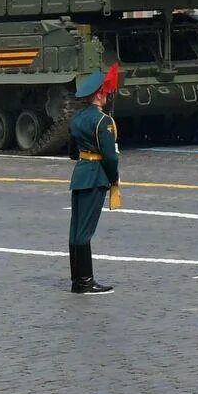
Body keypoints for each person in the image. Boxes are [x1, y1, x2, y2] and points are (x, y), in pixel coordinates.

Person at [68, 63, 122, 295]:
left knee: (76, 230)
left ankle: (77, 280)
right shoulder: (103, 122)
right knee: (85, 231)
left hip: (80, 175)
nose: (108, 95)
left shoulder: (77, 119)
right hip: (95, 177)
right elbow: (110, 157)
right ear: (99, 94)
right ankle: (85, 281)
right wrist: (114, 179)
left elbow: (72, 152)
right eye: (106, 92)